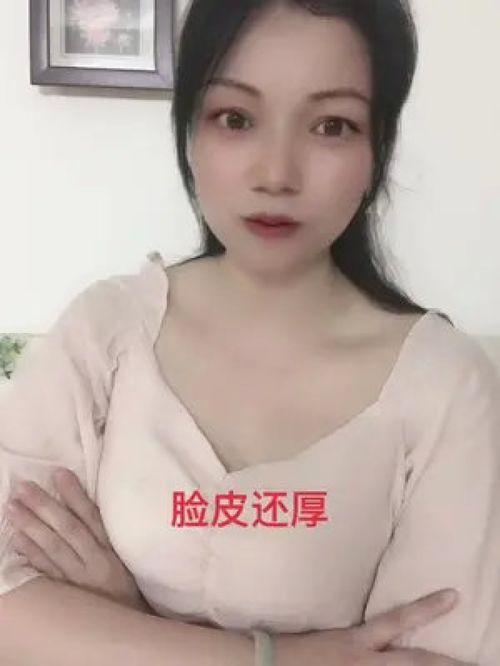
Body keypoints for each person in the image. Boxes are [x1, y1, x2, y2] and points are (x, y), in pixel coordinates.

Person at [1, 0, 499, 664]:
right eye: (235, 118)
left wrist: (122, 621)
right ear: (190, 130)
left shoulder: (446, 386)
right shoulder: (106, 332)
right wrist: (279, 657)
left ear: (377, 148)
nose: (276, 175)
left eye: (331, 125)